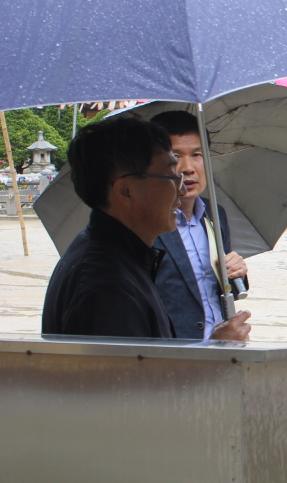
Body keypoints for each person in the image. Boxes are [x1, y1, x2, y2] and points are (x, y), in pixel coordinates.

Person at [42, 116, 250, 341]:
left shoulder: (122, 257)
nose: (180, 188)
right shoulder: (107, 285)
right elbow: (132, 364)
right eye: (170, 175)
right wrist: (215, 347)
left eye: (197, 155)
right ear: (126, 190)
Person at [150, 110, 249, 340]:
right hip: (174, 356)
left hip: (222, 352)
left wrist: (236, 273)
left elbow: (220, 292)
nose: (188, 168)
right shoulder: (148, 224)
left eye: (197, 154)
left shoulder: (214, 214)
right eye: (175, 156)